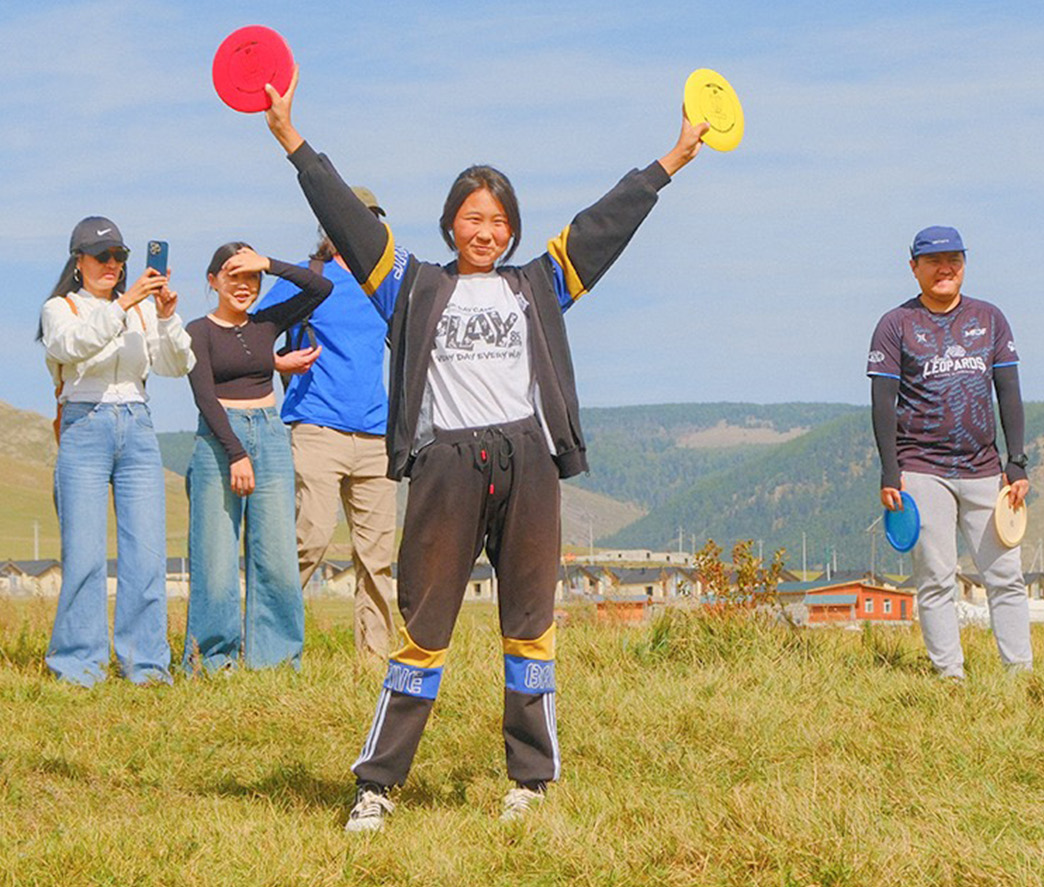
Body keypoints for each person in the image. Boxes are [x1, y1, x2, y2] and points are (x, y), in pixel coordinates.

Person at [260, 67, 708, 831]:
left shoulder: (538, 283)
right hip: (446, 468)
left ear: (514, 230)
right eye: (473, 217)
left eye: (499, 220)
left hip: (528, 466)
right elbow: (350, 218)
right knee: (424, 628)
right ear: (449, 225)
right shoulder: (412, 286)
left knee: (530, 625)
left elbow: (603, 227)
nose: (487, 230)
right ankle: (377, 784)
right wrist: (292, 141)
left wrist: (668, 161)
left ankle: (529, 781)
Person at [867, 226, 1032, 679]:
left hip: (984, 469)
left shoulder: (991, 318)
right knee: (937, 578)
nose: (945, 269)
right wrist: (889, 471)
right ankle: (950, 677)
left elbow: (1009, 391)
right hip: (921, 469)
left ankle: (1020, 674)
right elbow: (883, 402)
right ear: (914, 267)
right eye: (934, 261)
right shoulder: (895, 325)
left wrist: (1016, 462)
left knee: (1005, 576)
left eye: (954, 259)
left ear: (964, 263)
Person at [39, 216, 194, 686]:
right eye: (101, 256)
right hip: (85, 422)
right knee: (84, 554)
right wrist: (124, 303)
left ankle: (146, 665)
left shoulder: (144, 310)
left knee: (146, 552)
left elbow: (176, 364)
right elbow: (72, 346)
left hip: (138, 423)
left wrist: (166, 315)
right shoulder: (60, 307)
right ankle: (78, 665)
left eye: (119, 257)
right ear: (79, 261)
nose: (111, 264)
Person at [259, 189, 397, 666]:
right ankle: (271, 650)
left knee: (377, 559)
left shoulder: (384, 288)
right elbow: (252, 333)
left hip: (377, 436)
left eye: (373, 221)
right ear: (331, 225)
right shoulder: (308, 280)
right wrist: (278, 361)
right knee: (308, 542)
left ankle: (375, 661)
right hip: (316, 429)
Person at [182, 243, 332, 673]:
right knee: (216, 559)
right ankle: (212, 662)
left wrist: (268, 262)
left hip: (269, 433)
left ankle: (278, 661)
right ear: (212, 281)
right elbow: (205, 397)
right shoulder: (198, 331)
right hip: (219, 440)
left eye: (251, 277)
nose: (244, 285)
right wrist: (235, 453)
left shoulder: (267, 322)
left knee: (278, 558)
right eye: (233, 275)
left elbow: (319, 286)